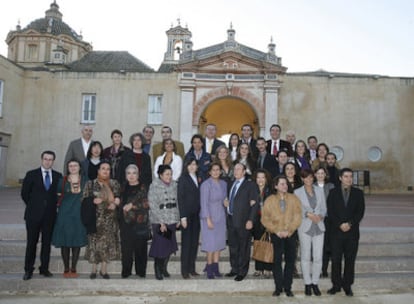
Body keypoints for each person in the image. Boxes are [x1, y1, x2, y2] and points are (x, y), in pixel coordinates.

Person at [21, 150, 62, 280]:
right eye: (45, 159)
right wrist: (35, 205)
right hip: (33, 216)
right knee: (31, 243)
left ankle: (44, 268)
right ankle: (28, 269)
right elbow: (24, 194)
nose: (48, 161)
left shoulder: (57, 176)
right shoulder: (31, 174)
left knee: (46, 244)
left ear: (53, 161)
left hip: (49, 216)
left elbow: (58, 195)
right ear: (41, 159)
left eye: (50, 159)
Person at [327, 168, 365, 297]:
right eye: (346, 176)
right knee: (336, 260)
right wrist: (339, 224)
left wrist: (349, 224)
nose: (349, 179)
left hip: (352, 232)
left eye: (351, 177)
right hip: (336, 232)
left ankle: (347, 285)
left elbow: (360, 212)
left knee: (350, 260)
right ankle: (336, 285)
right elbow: (330, 211)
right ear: (340, 178)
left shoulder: (358, 193)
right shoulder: (333, 192)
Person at [261, 175, 302, 297]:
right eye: (282, 184)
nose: (285, 186)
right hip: (276, 235)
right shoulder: (270, 200)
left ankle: (288, 287)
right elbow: (265, 218)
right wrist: (276, 230)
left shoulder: (294, 199)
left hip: (290, 235)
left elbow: (298, 216)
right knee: (277, 262)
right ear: (276, 186)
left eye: (286, 184)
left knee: (290, 262)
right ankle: (278, 287)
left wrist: (289, 231)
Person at [81, 161, 121, 279]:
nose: (105, 171)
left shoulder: (114, 183)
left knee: (106, 245)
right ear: (98, 170)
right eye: (103, 168)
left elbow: (118, 196)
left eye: (108, 169)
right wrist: (92, 201)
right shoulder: (90, 184)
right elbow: (83, 200)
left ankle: (104, 270)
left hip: (109, 220)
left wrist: (116, 203)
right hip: (95, 219)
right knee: (94, 244)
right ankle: (93, 269)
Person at [51, 159, 87, 278]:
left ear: (79, 167)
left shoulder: (85, 181)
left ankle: (74, 268)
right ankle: (66, 268)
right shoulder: (62, 180)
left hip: (79, 214)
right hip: (64, 214)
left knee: (76, 241)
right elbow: (56, 196)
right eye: (70, 166)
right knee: (65, 242)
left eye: (75, 165)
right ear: (68, 168)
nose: (73, 167)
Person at [224, 163, 259, 282]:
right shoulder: (230, 184)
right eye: (235, 169)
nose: (236, 171)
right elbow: (229, 199)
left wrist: (250, 220)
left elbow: (255, 205)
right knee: (233, 246)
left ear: (244, 172)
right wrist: (226, 204)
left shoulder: (250, 185)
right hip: (231, 219)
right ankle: (234, 269)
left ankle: (242, 272)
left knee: (244, 248)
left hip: (244, 222)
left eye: (239, 169)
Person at [294, 169, 326, 296]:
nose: (308, 179)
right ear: (302, 179)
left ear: (313, 178)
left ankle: (315, 282)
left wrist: (320, 216)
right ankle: (307, 283)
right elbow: (296, 209)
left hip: (319, 226)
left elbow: (324, 208)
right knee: (305, 256)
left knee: (318, 257)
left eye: (310, 177)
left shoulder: (319, 190)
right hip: (304, 227)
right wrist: (307, 214)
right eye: (305, 177)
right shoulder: (297, 192)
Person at [148, 165, 180, 280]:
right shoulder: (154, 186)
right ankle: (158, 269)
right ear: (160, 175)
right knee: (160, 246)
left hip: (171, 219)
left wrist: (178, 218)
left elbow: (178, 202)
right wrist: (161, 222)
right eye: (167, 174)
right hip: (159, 222)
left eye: (170, 174)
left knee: (169, 247)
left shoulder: (175, 185)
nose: (169, 176)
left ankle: (164, 268)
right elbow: (152, 204)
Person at [119, 164, 151, 278]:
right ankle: (126, 272)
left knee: (140, 250)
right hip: (126, 223)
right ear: (126, 175)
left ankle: (140, 272)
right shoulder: (122, 187)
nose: (131, 176)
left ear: (138, 175)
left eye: (134, 173)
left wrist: (132, 205)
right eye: (129, 173)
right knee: (126, 250)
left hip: (140, 222)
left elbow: (147, 204)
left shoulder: (144, 187)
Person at [200, 163, 228, 279]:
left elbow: (224, 199)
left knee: (219, 243)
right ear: (210, 172)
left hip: (220, 216)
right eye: (213, 170)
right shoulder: (206, 185)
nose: (216, 172)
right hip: (209, 216)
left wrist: (226, 203)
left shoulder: (223, 184)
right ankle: (209, 268)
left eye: (218, 170)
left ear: (221, 171)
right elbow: (204, 203)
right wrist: (208, 219)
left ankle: (216, 268)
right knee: (210, 244)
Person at [177, 158, 201, 279]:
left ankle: (192, 268)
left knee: (194, 243)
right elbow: (180, 198)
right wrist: (183, 217)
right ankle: (184, 270)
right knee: (186, 244)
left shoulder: (198, 178)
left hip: (197, 215)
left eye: (194, 164)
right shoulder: (183, 179)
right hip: (187, 215)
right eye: (190, 164)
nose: (192, 166)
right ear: (186, 166)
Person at [251, 168, 273, 278]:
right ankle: (258, 268)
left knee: (268, 243)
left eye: (263, 177)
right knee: (258, 244)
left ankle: (268, 268)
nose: (260, 180)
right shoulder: (252, 190)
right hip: (255, 220)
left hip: (268, 220)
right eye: (258, 177)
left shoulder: (270, 191)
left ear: (266, 179)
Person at [314, 166, 335, 278]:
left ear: (325, 175)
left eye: (322, 173)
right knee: (317, 246)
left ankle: (324, 270)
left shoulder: (331, 186)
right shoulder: (311, 187)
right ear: (315, 175)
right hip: (315, 220)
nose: (320, 175)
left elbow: (334, 203)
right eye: (318, 173)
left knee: (326, 246)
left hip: (328, 220)